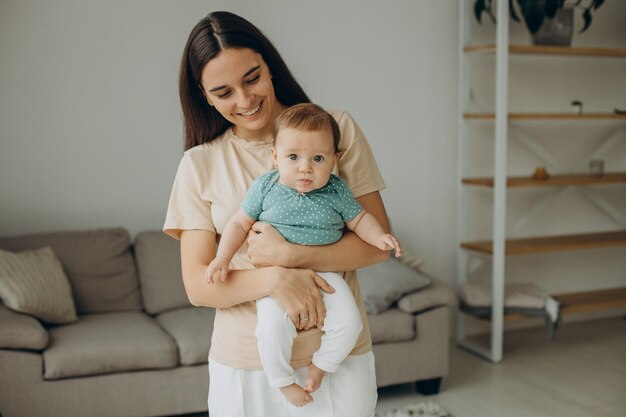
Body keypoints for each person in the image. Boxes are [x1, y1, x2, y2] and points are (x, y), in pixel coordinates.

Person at [164, 10, 393, 416]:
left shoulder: (334, 131)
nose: (245, 100)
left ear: (270, 66)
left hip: (338, 358)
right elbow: (199, 287)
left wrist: (288, 256)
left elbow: (376, 246)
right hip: (246, 364)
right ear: (204, 96)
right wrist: (274, 279)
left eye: (252, 78)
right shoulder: (199, 164)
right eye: (223, 92)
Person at [205, 103, 402, 407]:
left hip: (326, 274)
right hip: (275, 280)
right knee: (271, 329)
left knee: (350, 322)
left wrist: (380, 237)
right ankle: (282, 382)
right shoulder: (266, 186)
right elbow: (239, 223)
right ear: (275, 156)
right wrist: (222, 258)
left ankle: (322, 367)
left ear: (335, 160)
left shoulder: (336, 191)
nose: (305, 167)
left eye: (318, 158)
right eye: (293, 157)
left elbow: (360, 220)